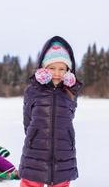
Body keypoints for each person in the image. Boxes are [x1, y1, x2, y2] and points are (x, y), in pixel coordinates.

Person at [19, 36, 83, 187]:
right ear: (44, 69)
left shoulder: (70, 92)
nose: (57, 73)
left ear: (68, 71)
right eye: (52, 68)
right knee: (31, 182)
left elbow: (69, 116)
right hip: (36, 150)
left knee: (61, 183)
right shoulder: (33, 90)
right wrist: (33, 137)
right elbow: (27, 119)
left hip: (63, 151)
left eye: (62, 69)